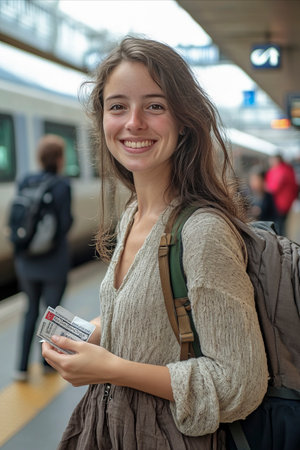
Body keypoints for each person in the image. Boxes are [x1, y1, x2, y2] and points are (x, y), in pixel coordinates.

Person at [42, 38, 268, 449]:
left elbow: (240, 382)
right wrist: (92, 332)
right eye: (117, 106)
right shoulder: (133, 215)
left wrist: (114, 369)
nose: (134, 122)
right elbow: (153, 324)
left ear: (184, 121)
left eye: (155, 106)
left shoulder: (202, 232)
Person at [14, 134, 73, 381]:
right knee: (52, 313)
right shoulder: (62, 185)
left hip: (26, 261)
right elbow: (65, 223)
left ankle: (21, 368)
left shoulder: (26, 181)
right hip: (53, 261)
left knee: (30, 310)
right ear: (59, 159)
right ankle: (48, 363)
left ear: (40, 158)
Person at [265, 153, 298, 235]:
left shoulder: (279, 170)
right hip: (287, 202)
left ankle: (280, 242)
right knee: (282, 224)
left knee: (279, 225)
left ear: (276, 160)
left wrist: (265, 186)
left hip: (280, 203)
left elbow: (273, 188)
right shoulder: (288, 169)